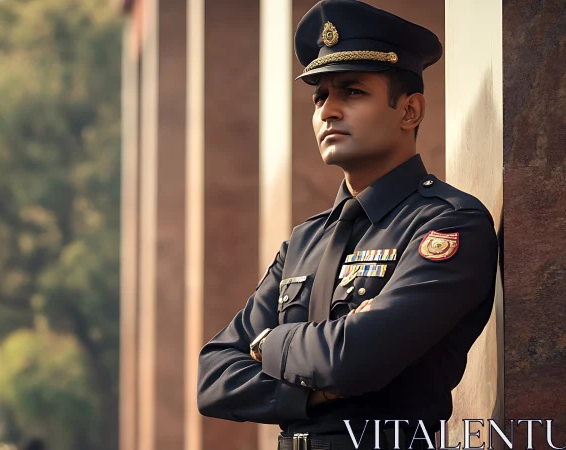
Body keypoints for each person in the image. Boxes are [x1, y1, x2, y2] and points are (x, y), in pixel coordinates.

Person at [196, 1, 498, 448]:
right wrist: (315, 392)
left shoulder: (448, 224)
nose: (328, 111)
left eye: (353, 92)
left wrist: (270, 344)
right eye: (320, 96)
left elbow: (354, 358)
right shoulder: (305, 240)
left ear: (409, 111)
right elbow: (214, 375)